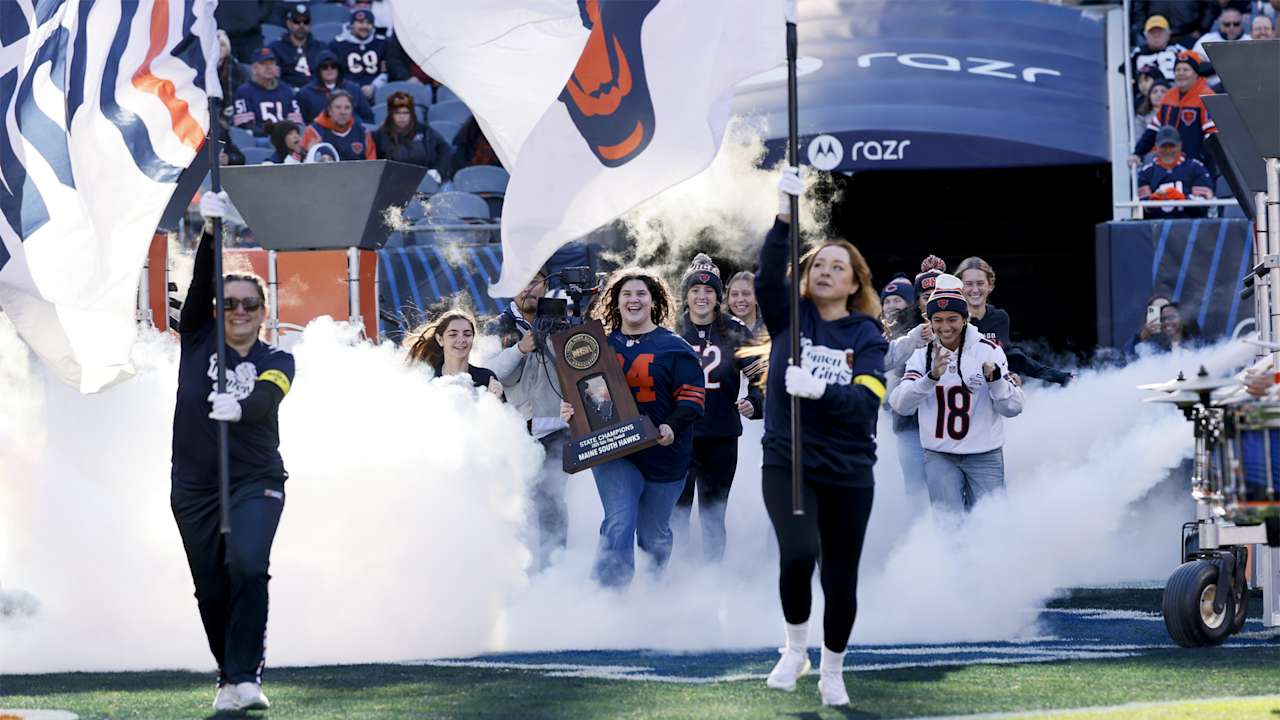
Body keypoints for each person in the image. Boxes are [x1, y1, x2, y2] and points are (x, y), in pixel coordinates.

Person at [759, 167, 887, 707]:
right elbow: (768, 274)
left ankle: (833, 668)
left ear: (856, 283)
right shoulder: (790, 315)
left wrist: (819, 391)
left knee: (840, 577)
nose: (829, 271)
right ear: (807, 275)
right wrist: (786, 214)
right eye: (821, 264)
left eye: (841, 266)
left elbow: (865, 404)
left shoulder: (866, 335)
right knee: (798, 551)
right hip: (788, 459)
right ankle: (795, 647)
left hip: (850, 468)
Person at [171, 191, 294, 713]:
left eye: (250, 304)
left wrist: (239, 409)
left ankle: (247, 676)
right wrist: (209, 233)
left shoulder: (279, 357)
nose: (240, 311)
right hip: (194, 484)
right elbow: (200, 290)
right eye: (232, 303)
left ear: (262, 312)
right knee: (210, 586)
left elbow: (268, 396)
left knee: (247, 563)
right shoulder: (198, 337)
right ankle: (227, 674)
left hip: (255, 480)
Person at [559, 268, 705, 588]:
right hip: (618, 449)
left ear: (654, 301)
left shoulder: (674, 347)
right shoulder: (599, 346)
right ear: (616, 300)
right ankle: (610, 600)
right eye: (626, 294)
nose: (633, 299)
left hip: (664, 453)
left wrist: (670, 427)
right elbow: (585, 393)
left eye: (641, 293)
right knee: (619, 521)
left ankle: (652, 595)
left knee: (654, 535)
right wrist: (572, 410)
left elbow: (693, 400)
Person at [889, 276, 1025, 517]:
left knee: (992, 525)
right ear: (928, 321)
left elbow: (1013, 407)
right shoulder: (922, 354)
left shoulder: (988, 350)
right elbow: (900, 404)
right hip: (940, 456)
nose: (945, 327)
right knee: (948, 528)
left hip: (984, 456)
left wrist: (995, 382)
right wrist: (930, 378)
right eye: (937, 320)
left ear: (965, 319)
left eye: (952, 319)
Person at [673, 254, 765, 563]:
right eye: (695, 291)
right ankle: (677, 579)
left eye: (709, 291)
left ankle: (712, 581)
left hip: (721, 435)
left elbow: (761, 376)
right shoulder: (671, 330)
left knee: (714, 514)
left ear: (717, 297)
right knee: (676, 512)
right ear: (685, 295)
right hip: (677, 435)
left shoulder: (735, 330)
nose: (702, 296)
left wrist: (755, 401)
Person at [481, 270, 571, 571]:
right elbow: (489, 373)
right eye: (522, 281)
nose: (528, 288)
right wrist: (520, 349)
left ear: (546, 286)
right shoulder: (497, 325)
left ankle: (555, 573)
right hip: (514, 432)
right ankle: (516, 573)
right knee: (514, 506)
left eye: (535, 281)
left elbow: (579, 367)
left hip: (557, 430)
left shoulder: (564, 319)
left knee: (553, 506)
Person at [953, 256, 1072, 386]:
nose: (975, 289)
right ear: (959, 288)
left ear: (990, 286)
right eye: (968, 284)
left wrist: (1061, 377)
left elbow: (1012, 357)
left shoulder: (999, 318)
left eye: (980, 283)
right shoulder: (951, 319)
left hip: (994, 392)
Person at [880, 272, 929, 502]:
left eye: (897, 300)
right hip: (903, 426)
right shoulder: (877, 335)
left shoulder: (922, 327)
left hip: (933, 423)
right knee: (913, 490)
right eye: (887, 301)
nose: (891, 306)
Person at [1129, 52, 1217, 171]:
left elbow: (1212, 137)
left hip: (1197, 168)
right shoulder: (1169, 95)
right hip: (1169, 165)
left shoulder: (1206, 96)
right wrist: (1137, 153)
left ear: (1196, 73)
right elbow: (1153, 129)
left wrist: (1201, 164)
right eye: (1178, 69)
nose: (1181, 73)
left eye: (1186, 70)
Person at [405, 309, 504, 397]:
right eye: (453, 334)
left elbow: (507, 416)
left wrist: (494, 400)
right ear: (440, 340)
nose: (461, 339)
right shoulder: (426, 380)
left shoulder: (486, 377)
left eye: (467, 334)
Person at [373, 91, 455, 181]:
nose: (402, 117)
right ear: (391, 114)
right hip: (392, 182)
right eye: (397, 113)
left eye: (406, 113)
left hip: (424, 181)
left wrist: (438, 171)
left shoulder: (425, 131)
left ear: (412, 114)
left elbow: (445, 150)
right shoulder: (379, 135)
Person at [1137, 126, 1215, 219]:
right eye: (1164, 146)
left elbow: (1204, 203)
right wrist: (1153, 200)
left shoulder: (1195, 167)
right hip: (1157, 227)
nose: (1168, 150)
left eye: (1172, 146)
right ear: (1156, 147)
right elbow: (1141, 209)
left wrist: (1183, 199)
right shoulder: (1147, 172)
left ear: (1180, 145)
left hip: (1190, 225)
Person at [232, 47, 303, 138]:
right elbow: (245, 125)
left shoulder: (287, 91)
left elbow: (296, 122)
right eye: (263, 64)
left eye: (272, 63)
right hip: (260, 140)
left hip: (286, 139)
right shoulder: (244, 92)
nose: (269, 67)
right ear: (254, 68)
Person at [296, 50, 375, 125]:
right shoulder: (305, 93)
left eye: (333, 66)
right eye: (324, 67)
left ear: (338, 69)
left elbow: (368, 117)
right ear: (318, 70)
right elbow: (305, 122)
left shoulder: (354, 88)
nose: (329, 69)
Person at [329, 8, 387, 102]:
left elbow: (386, 72)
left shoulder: (382, 42)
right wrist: (353, 88)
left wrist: (374, 86)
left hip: (376, 90)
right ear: (351, 25)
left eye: (368, 23)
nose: (364, 26)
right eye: (360, 22)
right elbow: (335, 74)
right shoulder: (337, 44)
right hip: (346, 92)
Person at [301, 90, 376, 161]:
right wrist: (309, 153)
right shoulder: (314, 131)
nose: (343, 112)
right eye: (338, 107)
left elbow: (372, 164)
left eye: (347, 107)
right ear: (329, 110)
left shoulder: (363, 132)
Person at [269, 4, 328, 89]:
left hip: (318, 92)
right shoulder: (275, 48)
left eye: (306, 21)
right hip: (288, 93)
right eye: (297, 21)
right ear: (288, 23)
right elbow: (274, 78)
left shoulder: (321, 47)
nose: (301, 25)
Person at [1129, 15, 1188, 82]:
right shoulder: (1137, 53)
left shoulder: (1179, 50)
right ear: (1146, 36)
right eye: (1152, 32)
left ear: (1168, 34)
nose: (1156, 36)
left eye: (1160, 32)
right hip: (1147, 90)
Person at [726, 270, 767, 340]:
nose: (740, 299)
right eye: (734, 294)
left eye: (746, 294)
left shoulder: (768, 329)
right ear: (728, 299)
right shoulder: (719, 329)